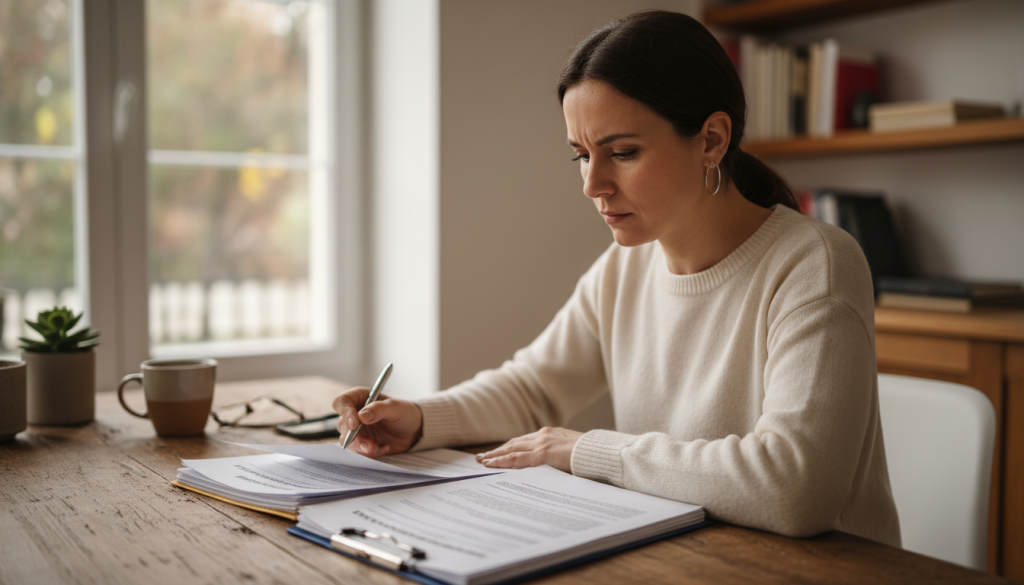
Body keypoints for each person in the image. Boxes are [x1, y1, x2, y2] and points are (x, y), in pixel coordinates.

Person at [332, 10, 901, 547]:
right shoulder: (626, 266)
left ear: (711, 140)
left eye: (622, 152)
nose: (592, 184)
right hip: (690, 554)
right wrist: (422, 418)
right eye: (581, 155)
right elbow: (533, 387)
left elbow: (794, 489)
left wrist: (586, 451)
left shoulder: (814, 264)